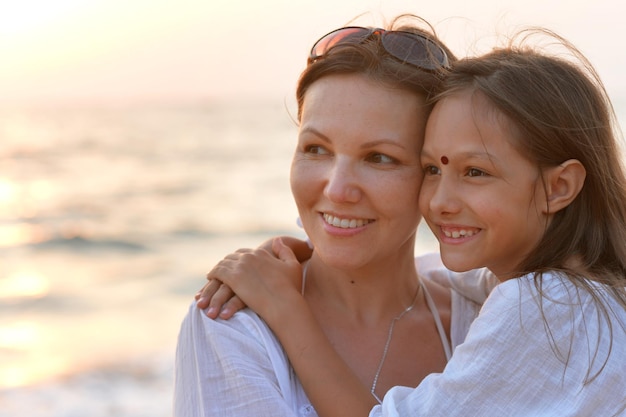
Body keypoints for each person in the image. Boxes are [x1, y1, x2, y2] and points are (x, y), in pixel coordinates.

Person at [202, 29, 626, 416]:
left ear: (559, 187)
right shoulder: (587, 290)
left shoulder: (546, 306)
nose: (440, 201)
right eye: (432, 169)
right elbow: (444, 276)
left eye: (475, 172)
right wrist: (306, 250)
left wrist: (285, 307)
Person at [173, 15, 495, 417]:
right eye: (316, 149)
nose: (337, 189)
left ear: (435, 174)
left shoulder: (485, 317)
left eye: (379, 158)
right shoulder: (231, 325)